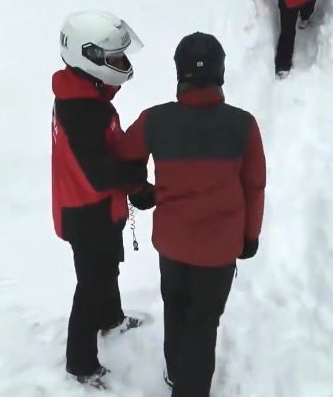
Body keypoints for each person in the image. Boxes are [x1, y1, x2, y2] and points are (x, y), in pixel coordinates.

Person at [115, 33, 267, 397]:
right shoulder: (243, 125)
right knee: (203, 321)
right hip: (219, 249)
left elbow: (124, 156)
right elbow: (255, 187)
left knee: (176, 308)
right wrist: (249, 238)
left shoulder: (155, 120)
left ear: (179, 73)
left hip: (172, 244)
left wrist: (140, 191)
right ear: (221, 72)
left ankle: (174, 371)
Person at [51, 11, 153, 389]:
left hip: (98, 207)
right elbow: (99, 171)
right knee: (90, 284)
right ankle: (81, 363)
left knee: (108, 268)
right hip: (85, 210)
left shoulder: (85, 94)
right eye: (113, 59)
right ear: (87, 57)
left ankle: (111, 319)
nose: (122, 67)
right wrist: (139, 186)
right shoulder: (81, 109)